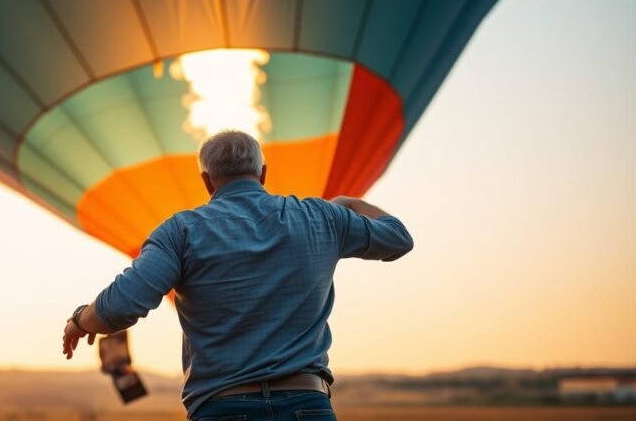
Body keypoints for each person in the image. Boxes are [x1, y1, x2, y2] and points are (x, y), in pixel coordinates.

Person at [61, 130, 413, 421]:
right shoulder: (320, 216)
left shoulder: (181, 231)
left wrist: (81, 321)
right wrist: (347, 203)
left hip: (222, 408)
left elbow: (120, 305)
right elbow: (398, 238)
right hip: (309, 406)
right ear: (263, 174)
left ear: (206, 182)